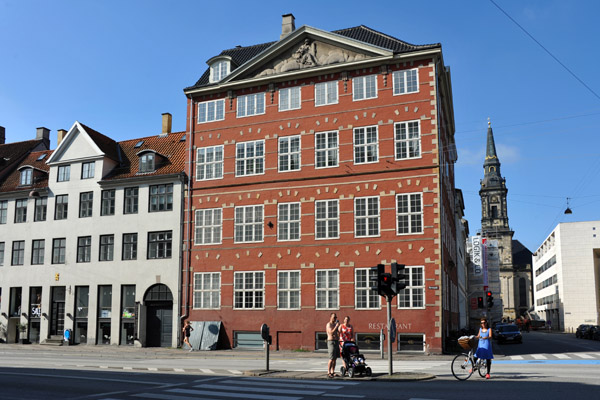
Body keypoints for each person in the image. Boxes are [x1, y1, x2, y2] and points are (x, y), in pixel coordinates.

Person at [326, 313, 340, 378]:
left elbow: (337, 333)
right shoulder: (329, 324)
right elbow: (330, 332)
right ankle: (328, 372)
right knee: (331, 358)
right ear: (330, 317)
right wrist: (336, 326)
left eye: (336, 317)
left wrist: (338, 328)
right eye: (334, 317)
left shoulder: (335, 324)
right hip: (331, 342)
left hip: (336, 341)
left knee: (335, 358)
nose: (335, 319)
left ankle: (332, 371)